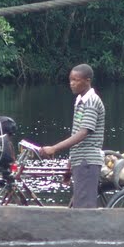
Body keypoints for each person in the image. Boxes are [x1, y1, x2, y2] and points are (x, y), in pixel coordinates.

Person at [41, 64, 105, 209]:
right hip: (80, 160)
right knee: (76, 206)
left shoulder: (92, 101)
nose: (72, 83)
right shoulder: (80, 101)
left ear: (87, 81)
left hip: (87, 161)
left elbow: (83, 133)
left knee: (84, 209)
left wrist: (54, 148)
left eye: (76, 80)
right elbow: (76, 134)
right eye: (70, 80)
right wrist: (69, 167)